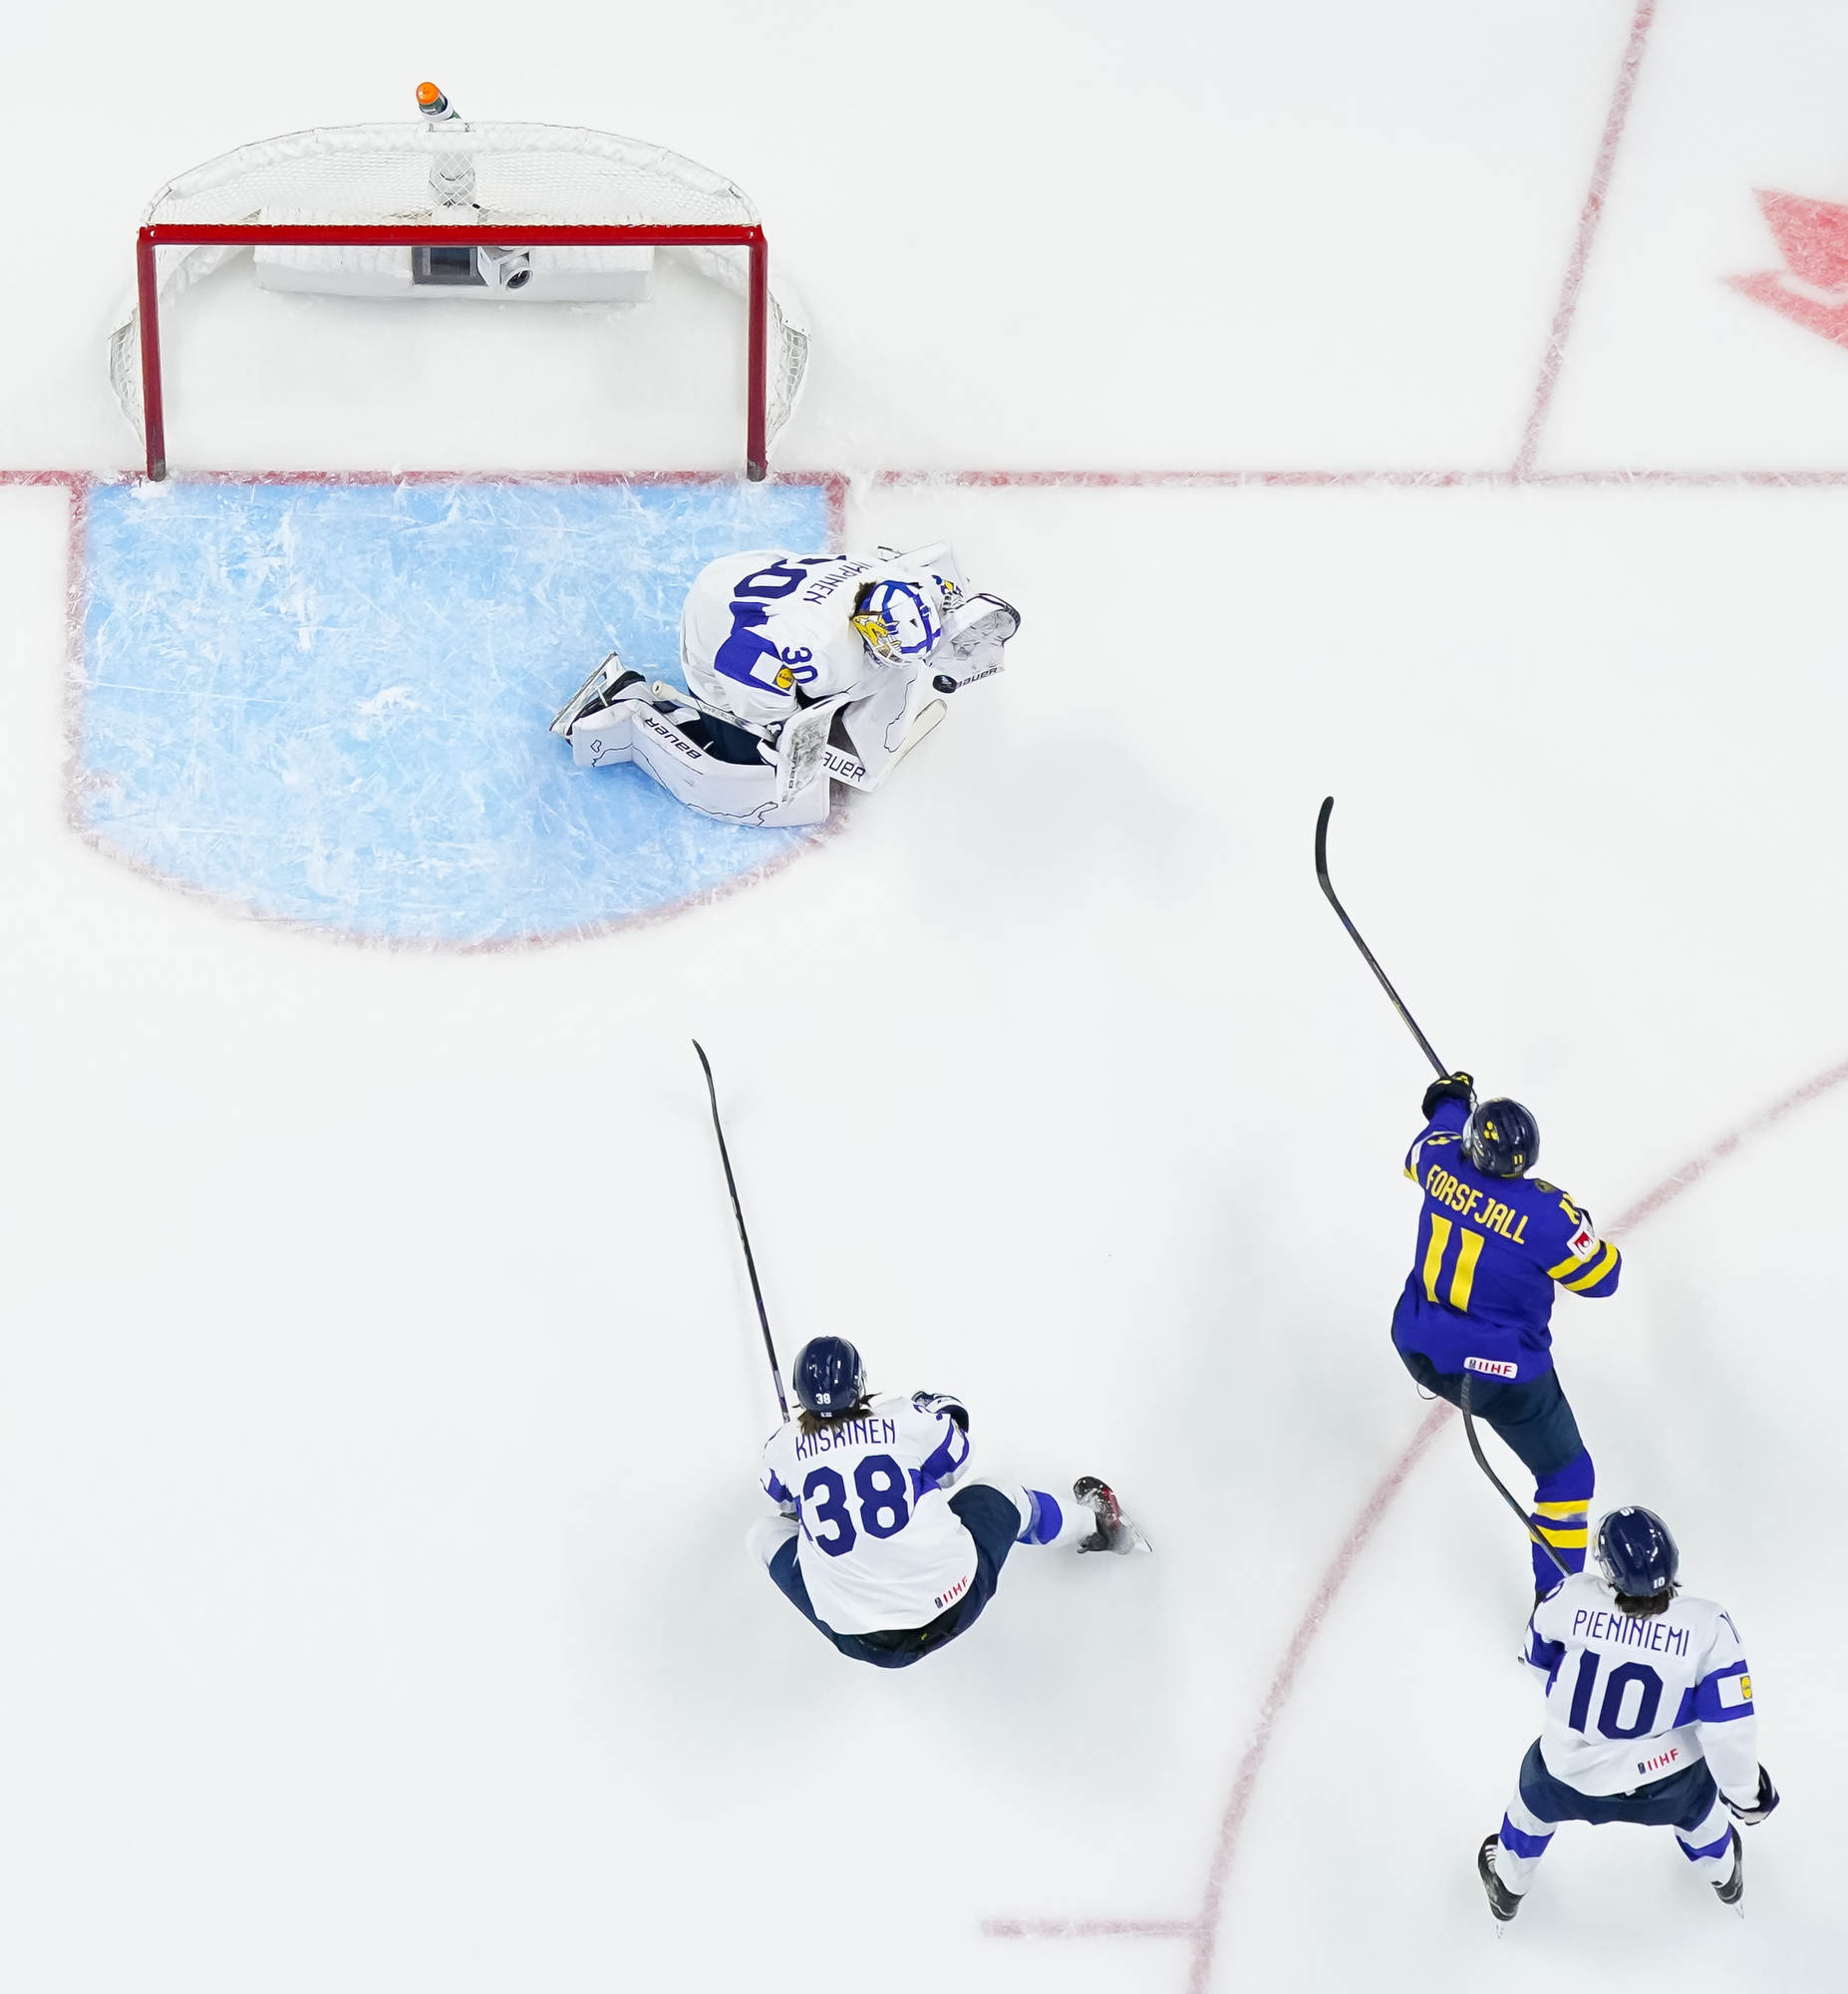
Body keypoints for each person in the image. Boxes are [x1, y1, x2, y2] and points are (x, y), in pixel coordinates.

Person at [549, 543, 1019, 828]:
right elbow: (737, 661)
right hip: (718, 625)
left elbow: (934, 574)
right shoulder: (807, 645)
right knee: (746, 759)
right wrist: (778, 729)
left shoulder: (906, 583)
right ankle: (631, 701)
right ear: (868, 627)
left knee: (859, 680)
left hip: (751, 572)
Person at [749, 1334, 1146, 1669]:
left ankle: (843, 1591)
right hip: (956, 1599)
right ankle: (1098, 1527)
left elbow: (782, 1501)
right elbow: (957, 1462)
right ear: (859, 1381)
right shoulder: (902, 1418)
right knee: (1000, 1495)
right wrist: (935, 1409)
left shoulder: (781, 1448)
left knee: (763, 1534)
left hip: (863, 1640)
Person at [1478, 1506, 1778, 1920]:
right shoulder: (1709, 1625)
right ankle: (1725, 1878)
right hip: (1669, 1781)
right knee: (1702, 1809)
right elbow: (1728, 1729)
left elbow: (1537, 1663)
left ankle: (1508, 1888)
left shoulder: (1568, 1596)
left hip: (1570, 1776)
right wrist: (1747, 1795)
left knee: (1530, 1807)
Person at [1393, 1073, 1620, 1594]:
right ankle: (1555, 1607)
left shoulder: (1438, 1159)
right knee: (1567, 1477)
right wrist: (1580, 1227)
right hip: (1501, 1376)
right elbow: (1602, 1279)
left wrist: (1451, 1098)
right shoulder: (1547, 1215)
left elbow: (1430, 1139)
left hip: (1416, 1342)